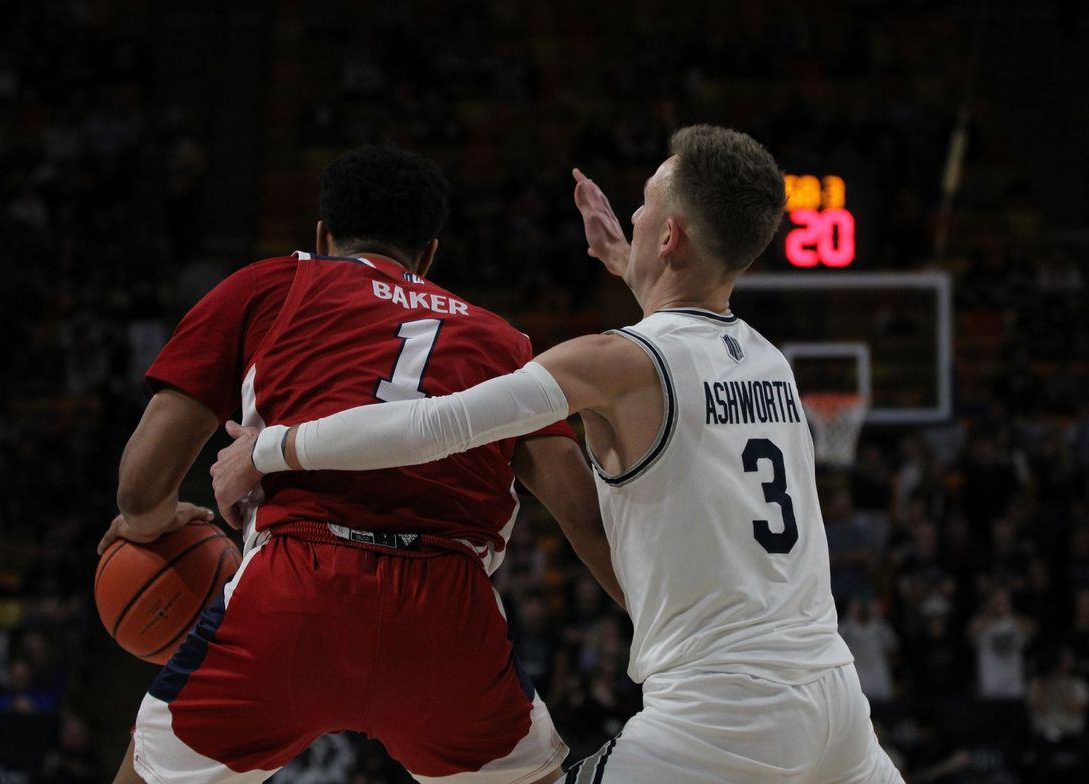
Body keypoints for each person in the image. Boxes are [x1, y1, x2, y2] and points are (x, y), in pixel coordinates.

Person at [214, 125, 905, 783]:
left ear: (668, 237)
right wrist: (633, 264)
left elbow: (428, 426)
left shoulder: (613, 364)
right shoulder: (769, 364)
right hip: (836, 704)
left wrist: (269, 449)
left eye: (642, 207)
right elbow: (684, 323)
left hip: (722, 716)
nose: (628, 217)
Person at [99, 144, 621, 784]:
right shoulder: (502, 340)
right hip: (447, 619)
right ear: (430, 254)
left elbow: (140, 486)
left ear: (322, 237)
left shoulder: (268, 285)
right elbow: (586, 519)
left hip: (293, 591)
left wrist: (148, 522)